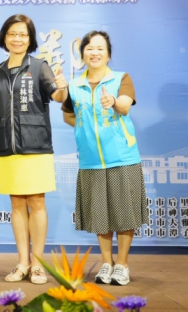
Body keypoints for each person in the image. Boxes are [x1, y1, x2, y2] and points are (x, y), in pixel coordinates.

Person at [0, 14, 67, 284]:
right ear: (4, 37)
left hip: (35, 144)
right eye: (12, 34)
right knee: (16, 203)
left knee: (36, 202)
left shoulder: (40, 66)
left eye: (23, 34)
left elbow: (57, 96)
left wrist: (63, 88)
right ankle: (22, 262)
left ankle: (38, 265)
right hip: (6, 146)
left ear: (30, 39)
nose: (17, 39)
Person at [62, 31, 148, 286]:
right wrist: (85, 128)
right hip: (90, 159)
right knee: (100, 215)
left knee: (124, 213)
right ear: (83, 54)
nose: (95, 53)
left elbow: (124, 106)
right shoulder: (74, 85)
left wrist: (113, 101)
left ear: (108, 54)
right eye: (89, 48)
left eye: (100, 48)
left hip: (122, 156)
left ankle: (122, 264)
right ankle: (106, 263)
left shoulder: (121, 78)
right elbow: (68, 115)